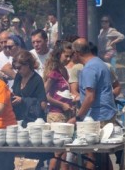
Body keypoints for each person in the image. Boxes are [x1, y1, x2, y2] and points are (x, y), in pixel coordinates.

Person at [67, 38, 118, 170]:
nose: (71, 57)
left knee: (93, 156)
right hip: (106, 113)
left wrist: (77, 117)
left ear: (77, 53)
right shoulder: (100, 63)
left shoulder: (89, 69)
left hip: (98, 117)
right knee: (103, 157)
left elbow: (90, 97)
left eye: (72, 53)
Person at [43, 41, 74, 170]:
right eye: (66, 56)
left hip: (65, 113)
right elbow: (45, 94)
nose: (68, 59)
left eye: (70, 56)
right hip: (56, 114)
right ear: (58, 54)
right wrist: (62, 104)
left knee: (63, 153)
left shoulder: (64, 70)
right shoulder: (54, 72)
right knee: (57, 152)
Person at [11, 50, 47, 127]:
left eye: (19, 68)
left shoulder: (37, 80)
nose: (17, 70)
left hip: (32, 121)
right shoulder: (18, 76)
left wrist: (22, 100)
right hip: (18, 118)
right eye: (15, 68)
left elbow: (43, 105)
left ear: (27, 65)